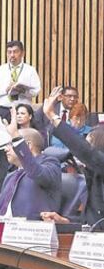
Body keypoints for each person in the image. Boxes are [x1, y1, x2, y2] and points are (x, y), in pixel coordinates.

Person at [40, 88, 104, 229]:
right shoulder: (93, 177)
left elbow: (84, 150)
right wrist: (64, 220)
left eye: (88, 144)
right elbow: (89, 220)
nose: (79, 155)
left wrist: (52, 115)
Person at [0, 125, 61, 220]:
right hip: (2, 228)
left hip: (28, 230)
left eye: (10, 144)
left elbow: (36, 173)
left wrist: (17, 137)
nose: (5, 149)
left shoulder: (50, 164)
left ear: (27, 146)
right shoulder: (11, 176)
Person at [0, 40, 41, 114]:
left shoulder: (30, 70)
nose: (12, 55)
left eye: (15, 52)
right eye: (9, 52)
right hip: (2, 109)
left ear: (22, 53)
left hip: (23, 111)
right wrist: (5, 90)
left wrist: (24, 91)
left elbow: (36, 91)